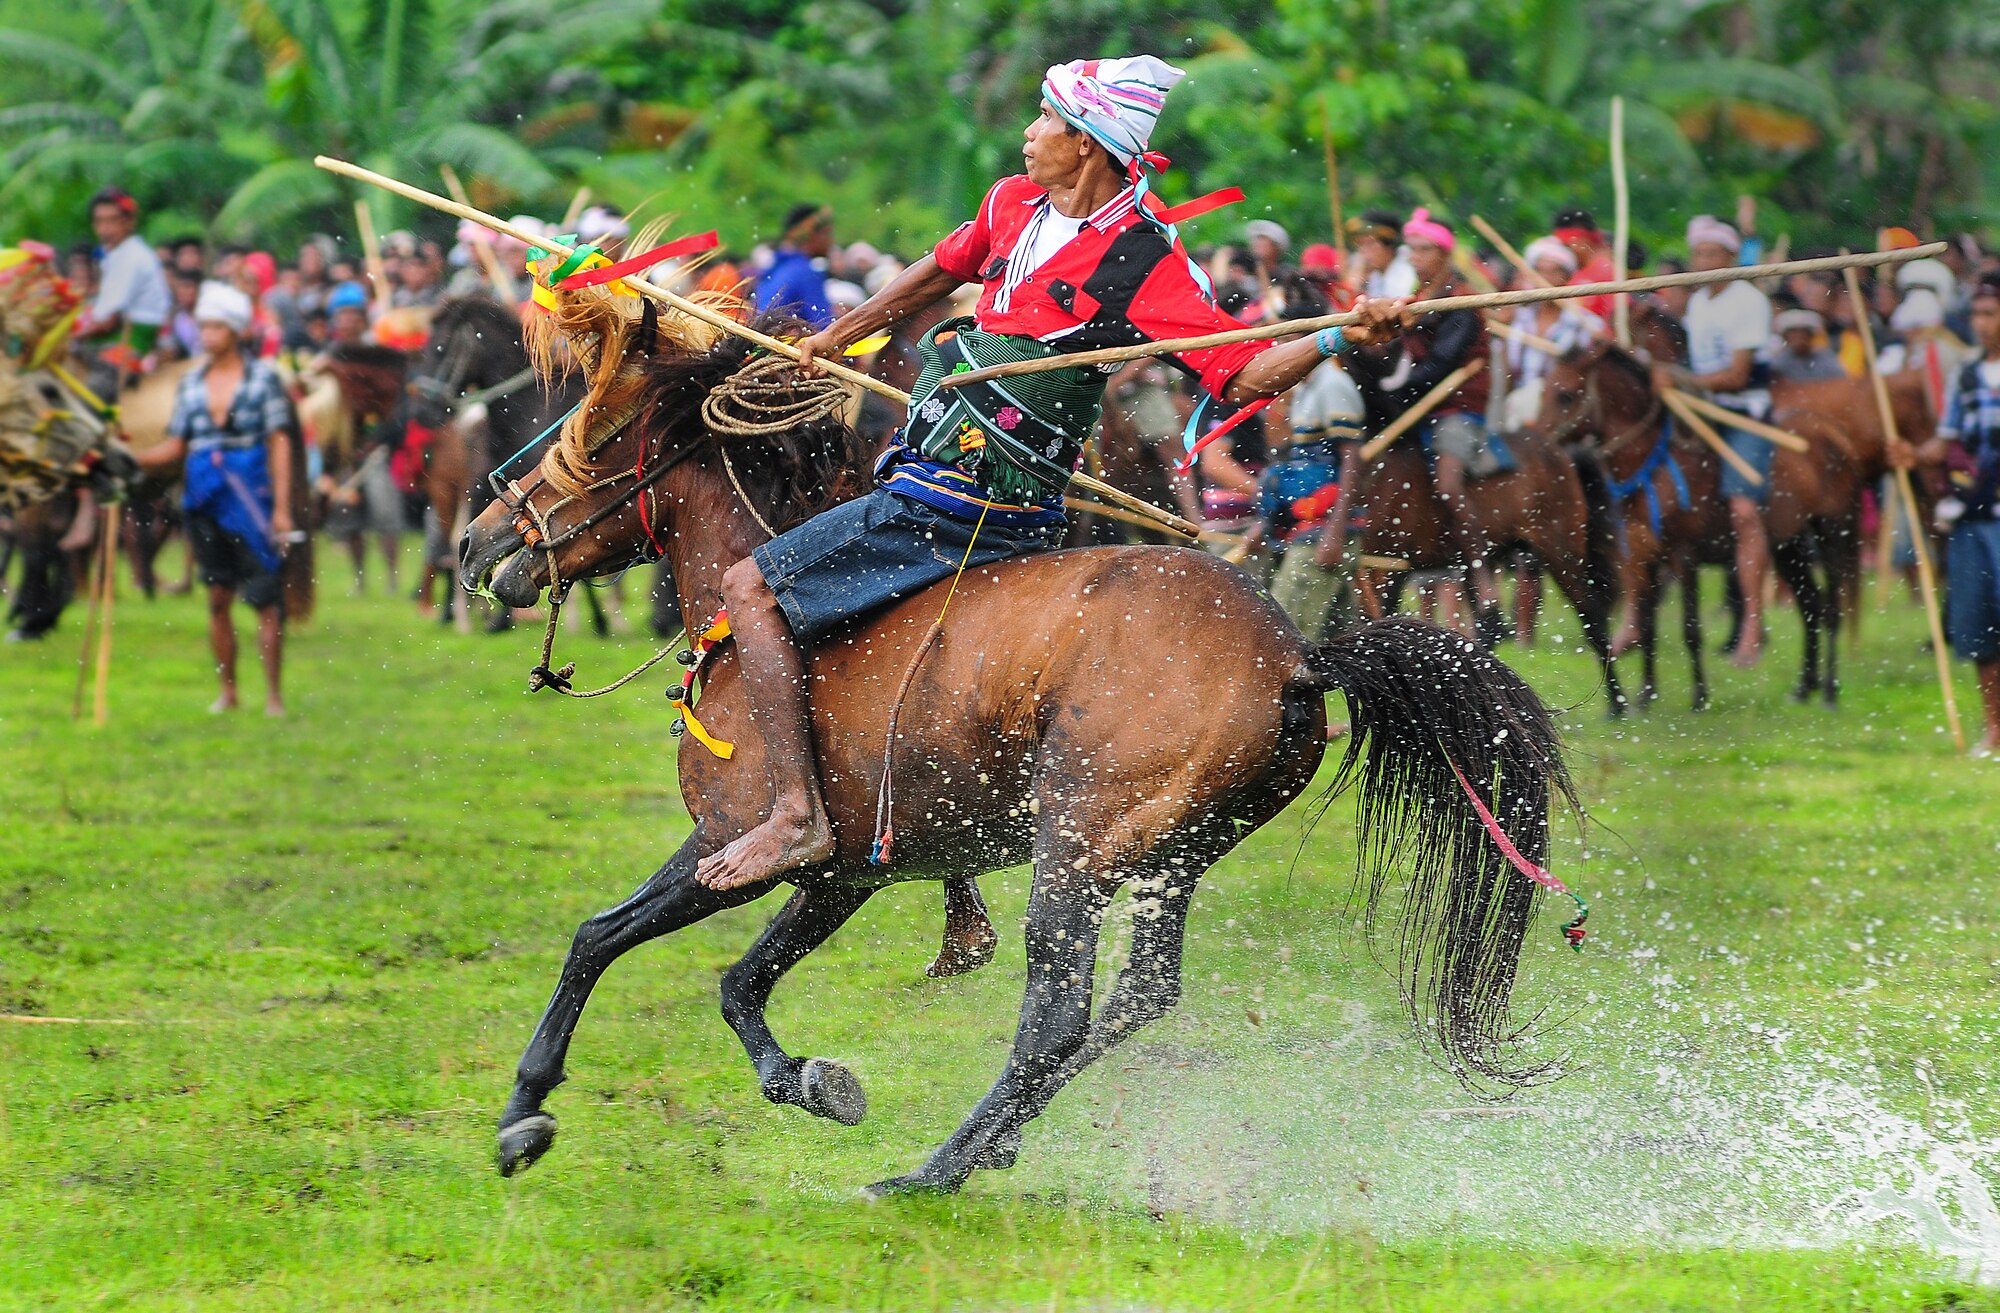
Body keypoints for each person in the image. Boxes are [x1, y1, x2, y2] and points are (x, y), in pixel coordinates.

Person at [692, 54, 1401, 893]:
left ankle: (795, 815)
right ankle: (950, 885)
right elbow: (940, 268)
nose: (1029, 133)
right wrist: (837, 336)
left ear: (1090, 144)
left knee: (751, 587)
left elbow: (1238, 375)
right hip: (918, 475)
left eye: (1047, 120)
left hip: (977, 504)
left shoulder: (1145, 259)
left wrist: (1340, 338)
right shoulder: (1011, 201)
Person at [1340, 208, 1507, 640]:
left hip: (1457, 405)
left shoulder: (1463, 300)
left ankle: (1485, 585)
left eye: (1423, 249)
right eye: (1411, 249)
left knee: (1449, 484)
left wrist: (1392, 391)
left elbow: (1440, 365)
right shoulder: (1415, 297)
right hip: (1417, 405)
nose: (1413, 256)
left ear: (1444, 252)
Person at [139, 282, 294, 715]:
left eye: (215, 327)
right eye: (203, 327)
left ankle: (273, 695)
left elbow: (279, 442)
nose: (207, 334)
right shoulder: (190, 384)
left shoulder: (263, 378)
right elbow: (175, 447)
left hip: (252, 501)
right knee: (217, 597)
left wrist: (281, 509)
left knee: (266, 601)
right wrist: (130, 454)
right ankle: (227, 692)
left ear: (236, 330)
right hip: (203, 499)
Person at [1654, 215, 1774, 667]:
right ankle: (1637, 614)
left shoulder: (1748, 300)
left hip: (1745, 413)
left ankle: (1753, 621)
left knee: (1743, 511)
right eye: (1697, 254)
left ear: (1729, 258)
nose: (1702, 262)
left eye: (1711, 254)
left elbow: (1737, 375)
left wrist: (1682, 380)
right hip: (1699, 410)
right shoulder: (1698, 302)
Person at [1900, 276, 2000, 755]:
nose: (1983, 324)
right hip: (1973, 515)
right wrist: (1911, 454)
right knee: (1980, 626)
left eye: (1991, 313)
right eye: (1978, 314)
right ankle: (1994, 728)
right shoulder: (1966, 375)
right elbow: (1944, 441)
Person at [1499, 235, 1605, 429]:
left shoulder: (1587, 325)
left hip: (1561, 417)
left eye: (1554, 271)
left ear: (1566, 277)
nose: (1544, 278)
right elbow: (1506, 374)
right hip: (1516, 412)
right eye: (1539, 270)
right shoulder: (1518, 318)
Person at [74, 186, 170, 386]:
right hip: (117, 336)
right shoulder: (119, 254)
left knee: (87, 396)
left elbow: (107, 321)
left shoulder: (130, 256)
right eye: (99, 221)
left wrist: (70, 338)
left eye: (112, 220)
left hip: (130, 343)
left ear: (130, 222)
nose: (104, 229)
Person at [755, 203, 835, 329]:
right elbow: (825, 329)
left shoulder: (775, 268)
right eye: (827, 234)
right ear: (812, 236)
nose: (831, 241)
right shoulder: (806, 273)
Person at [1551, 207, 1617, 319]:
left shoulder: (1605, 271)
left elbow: (1614, 318)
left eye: (1565, 246)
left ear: (1580, 240)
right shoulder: (1578, 271)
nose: (1561, 253)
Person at [1346, 210, 1417, 299]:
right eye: (1360, 244)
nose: (1363, 251)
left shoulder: (1408, 271)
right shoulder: (1375, 276)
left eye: (1370, 243)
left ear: (1389, 244)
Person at [1768, 306, 1845, 383]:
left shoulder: (1825, 357)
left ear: (1810, 335)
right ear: (1786, 337)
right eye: (1793, 334)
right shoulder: (1780, 361)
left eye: (1801, 334)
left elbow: (1840, 380)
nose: (1797, 338)